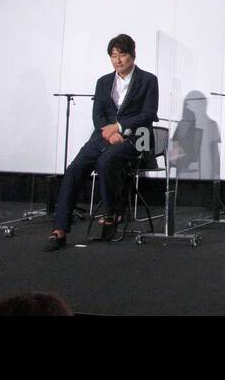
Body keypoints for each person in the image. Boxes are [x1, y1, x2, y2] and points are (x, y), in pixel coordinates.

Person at [45, 35, 158, 251]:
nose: (118, 60)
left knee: (106, 162)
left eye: (122, 55)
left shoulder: (148, 80)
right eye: (113, 56)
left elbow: (148, 114)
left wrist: (120, 127)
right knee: (74, 169)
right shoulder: (103, 81)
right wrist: (109, 133)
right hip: (104, 136)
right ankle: (59, 229)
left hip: (137, 137)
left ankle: (111, 213)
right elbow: (98, 115)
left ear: (132, 55)